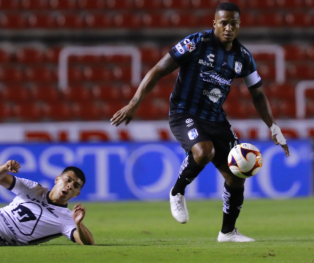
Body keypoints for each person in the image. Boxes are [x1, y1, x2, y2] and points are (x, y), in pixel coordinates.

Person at [110, 2, 290, 242]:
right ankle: (177, 191)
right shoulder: (196, 43)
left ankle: (227, 233)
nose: (228, 28)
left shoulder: (243, 57)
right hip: (184, 113)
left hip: (216, 118)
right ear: (214, 23)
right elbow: (158, 70)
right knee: (204, 151)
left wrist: (274, 127)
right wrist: (134, 103)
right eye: (223, 22)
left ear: (239, 26)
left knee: (237, 174)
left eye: (233, 23)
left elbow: (257, 93)